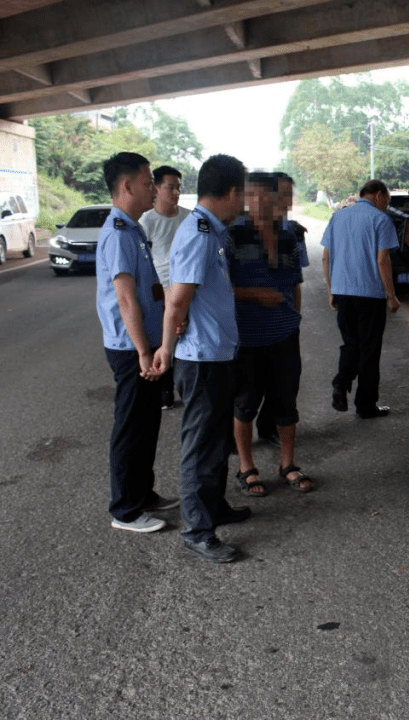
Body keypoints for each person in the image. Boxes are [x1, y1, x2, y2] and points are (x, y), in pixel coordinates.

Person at [154, 154, 250, 564]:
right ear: (230, 192)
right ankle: (197, 528)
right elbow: (177, 302)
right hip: (201, 358)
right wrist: (164, 351)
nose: (244, 202)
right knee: (200, 442)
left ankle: (214, 506)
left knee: (217, 440)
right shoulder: (197, 233)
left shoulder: (210, 231)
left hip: (218, 353)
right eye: (242, 193)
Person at [95, 151, 177, 533]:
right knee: (131, 427)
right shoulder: (117, 233)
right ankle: (125, 510)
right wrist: (145, 350)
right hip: (131, 349)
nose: (153, 189)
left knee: (146, 424)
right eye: (148, 183)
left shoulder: (133, 229)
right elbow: (125, 297)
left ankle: (144, 493)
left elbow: (147, 287)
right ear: (127, 186)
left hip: (143, 344)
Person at [229, 172, 313, 496]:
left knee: (286, 401)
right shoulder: (233, 235)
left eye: (267, 195)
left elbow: (295, 283)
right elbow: (221, 288)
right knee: (245, 403)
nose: (260, 201)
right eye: (252, 194)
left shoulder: (288, 236)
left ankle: (288, 464)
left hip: (284, 334)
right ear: (245, 198)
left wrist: (296, 319)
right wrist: (255, 294)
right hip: (246, 337)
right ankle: (246, 467)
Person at [322, 179, 400, 418]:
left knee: (350, 343)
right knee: (369, 350)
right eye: (387, 198)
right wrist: (391, 295)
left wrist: (331, 290)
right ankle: (365, 405)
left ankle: (340, 382)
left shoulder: (338, 217)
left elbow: (326, 257)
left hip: (343, 292)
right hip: (370, 295)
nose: (387, 204)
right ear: (377, 195)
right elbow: (382, 260)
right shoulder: (381, 220)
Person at [140, 165, 190, 410]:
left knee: (185, 335)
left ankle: (186, 385)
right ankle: (165, 390)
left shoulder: (190, 218)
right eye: (170, 187)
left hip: (188, 289)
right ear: (156, 189)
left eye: (178, 187)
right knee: (163, 339)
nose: (176, 192)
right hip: (161, 291)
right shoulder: (146, 221)